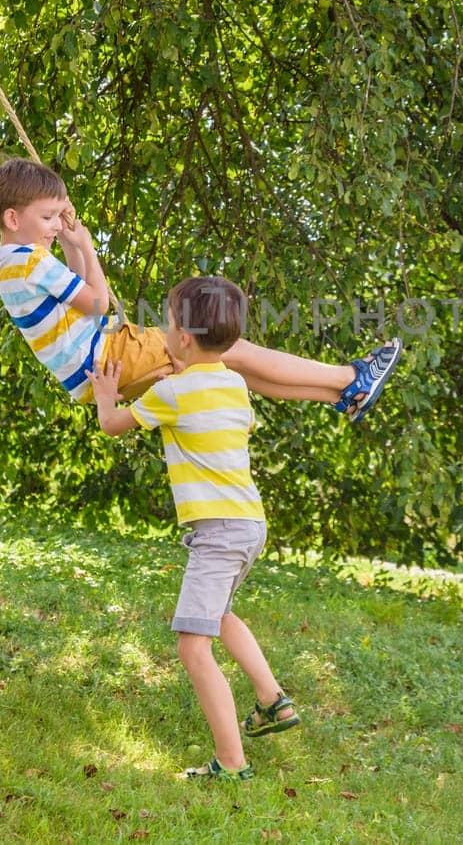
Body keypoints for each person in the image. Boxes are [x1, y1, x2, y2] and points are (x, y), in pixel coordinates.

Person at [0, 157, 401, 417]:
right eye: (49, 218)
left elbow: (79, 299)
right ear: (13, 219)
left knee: (226, 364)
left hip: (96, 370)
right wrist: (88, 247)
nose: (58, 226)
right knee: (228, 346)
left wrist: (75, 248)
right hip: (111, 355)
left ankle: (343, 395)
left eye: (60, 216)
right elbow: (96, 303)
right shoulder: (31, 260)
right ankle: (350, 375)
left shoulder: (10, 263)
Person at [88, 276, 300, 782]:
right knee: (220, 615)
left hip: (219, 532)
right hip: (248, 525)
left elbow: (113, 425)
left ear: (182, 338)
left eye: (167, 322)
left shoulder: (172, 392)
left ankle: (231, 764)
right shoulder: (232, 383)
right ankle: (273, 702)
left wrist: (105, 395)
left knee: (192, 644)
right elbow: (215, 409)